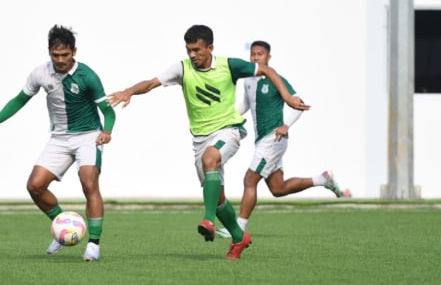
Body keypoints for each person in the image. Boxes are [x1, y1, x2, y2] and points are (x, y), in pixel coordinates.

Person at [107, 24, 310, 259]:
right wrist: (129, 91)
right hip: (200, 139)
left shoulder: (229, 66)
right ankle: (239, 237)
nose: (192, 55)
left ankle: (207, 219)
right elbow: (151, 83)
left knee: (210, 159)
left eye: (197, 50)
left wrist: (287, 97)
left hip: (228, 131)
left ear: (210, 48)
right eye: (189, 50)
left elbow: (267, 70)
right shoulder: (182, 68)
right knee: (218, 195)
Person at [0, 25, 116, 262]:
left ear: (74, 52)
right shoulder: (40, 73)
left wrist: (107, 131)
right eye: (56, 55)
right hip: (59, 138)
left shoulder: (88, 76)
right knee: (35, 186)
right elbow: (20, 99)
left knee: (89, 183)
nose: (60, 60)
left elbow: (109, 111)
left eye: (65, 55)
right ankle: (64, 225)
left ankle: (94, 243)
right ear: (49, 52)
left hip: (88, 136)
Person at [215, 40, 345, 239]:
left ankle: (238, 227)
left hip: (273, 138)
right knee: (278, 188)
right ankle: (322, 179)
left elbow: (299, 103)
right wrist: (228, 118)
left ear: (268, 57)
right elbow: (246, 104)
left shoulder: (276, 79)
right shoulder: (248, 80)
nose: (256, 57)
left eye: (260, 54)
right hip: (262, 140)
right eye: (253, 54)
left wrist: (286, 126)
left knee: (250, 180)